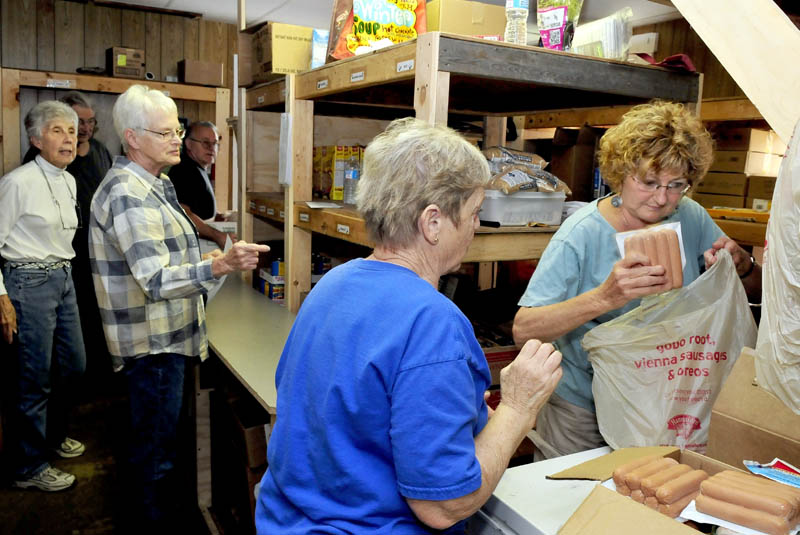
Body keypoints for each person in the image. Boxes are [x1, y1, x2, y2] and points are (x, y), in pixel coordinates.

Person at [255, 117, 563, 534]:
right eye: (474, 212)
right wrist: (519, 407)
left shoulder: (335, 283)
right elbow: (444, 505)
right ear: (432, 222)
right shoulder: (432, 323)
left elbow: (352, 415)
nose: (477, 225)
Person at [512, 100, 762, 459]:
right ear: (619, 173)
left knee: (649, 496)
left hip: (663, 398)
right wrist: (605, 297)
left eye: (677, 184)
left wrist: (744, 266)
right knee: (574, 503)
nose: (662, 198)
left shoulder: (690, 216)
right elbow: (524, 329)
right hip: (584, 406)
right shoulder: (580, 234)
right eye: (648, 182)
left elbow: (755, 291)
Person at [88, 84, 268, 532]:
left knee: (159, 448)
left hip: (169, 337)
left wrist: (208, 260)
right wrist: (221, 264)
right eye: (165, 132)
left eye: (178, 129)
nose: (176, 139)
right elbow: (154, 278)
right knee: (154, 457)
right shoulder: (129, 192)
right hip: (153, 345)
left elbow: (170, 257)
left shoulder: (158, 183)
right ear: (132, 137)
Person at [0, 101, 87, 491]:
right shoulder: (17, 183)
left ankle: (50, 438)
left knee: (73, 366)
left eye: (71, 131)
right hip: (26, 281)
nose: (68, 138)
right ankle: (27, 467)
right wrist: (1, 297)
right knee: (33, 378)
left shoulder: (68, 179)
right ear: (36, 140)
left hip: (63, 278)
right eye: (57, 130)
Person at [24, 91, 115, 384]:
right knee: (52, 351)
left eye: (88, 123)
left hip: (95, 255)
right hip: (52, 264)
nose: (84, 129)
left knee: (91, 327)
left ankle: (93, 385)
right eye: (77, 123)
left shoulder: (100, 152)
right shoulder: (38, 165)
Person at [167, 120, 235, 250]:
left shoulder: (196, 168)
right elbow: (183, 213)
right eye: (205, 142)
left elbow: (196, 208)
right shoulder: (184, 170)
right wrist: (218, 235)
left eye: (214, 143)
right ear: (188, 144)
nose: (211, 148)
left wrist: (215, 216)